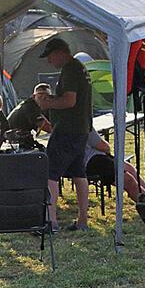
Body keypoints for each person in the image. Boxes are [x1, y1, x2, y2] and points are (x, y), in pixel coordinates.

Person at [33, 38, 93, 231]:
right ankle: (82, 220)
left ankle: (51, 221)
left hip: (67, 130)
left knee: (50, 174)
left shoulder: (70, 69)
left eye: (50, 57)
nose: (50, 62)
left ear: (60, 52)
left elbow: (69, 101)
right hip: (81, 129)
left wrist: (47, 103)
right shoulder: (79, 68)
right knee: (78, 173)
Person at [84, 130, 145, 203]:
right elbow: (103, 146)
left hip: (96, 157)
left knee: (129, 168)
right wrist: (107, 148)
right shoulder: (82, 123)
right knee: (128, 181)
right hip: (90, 161)